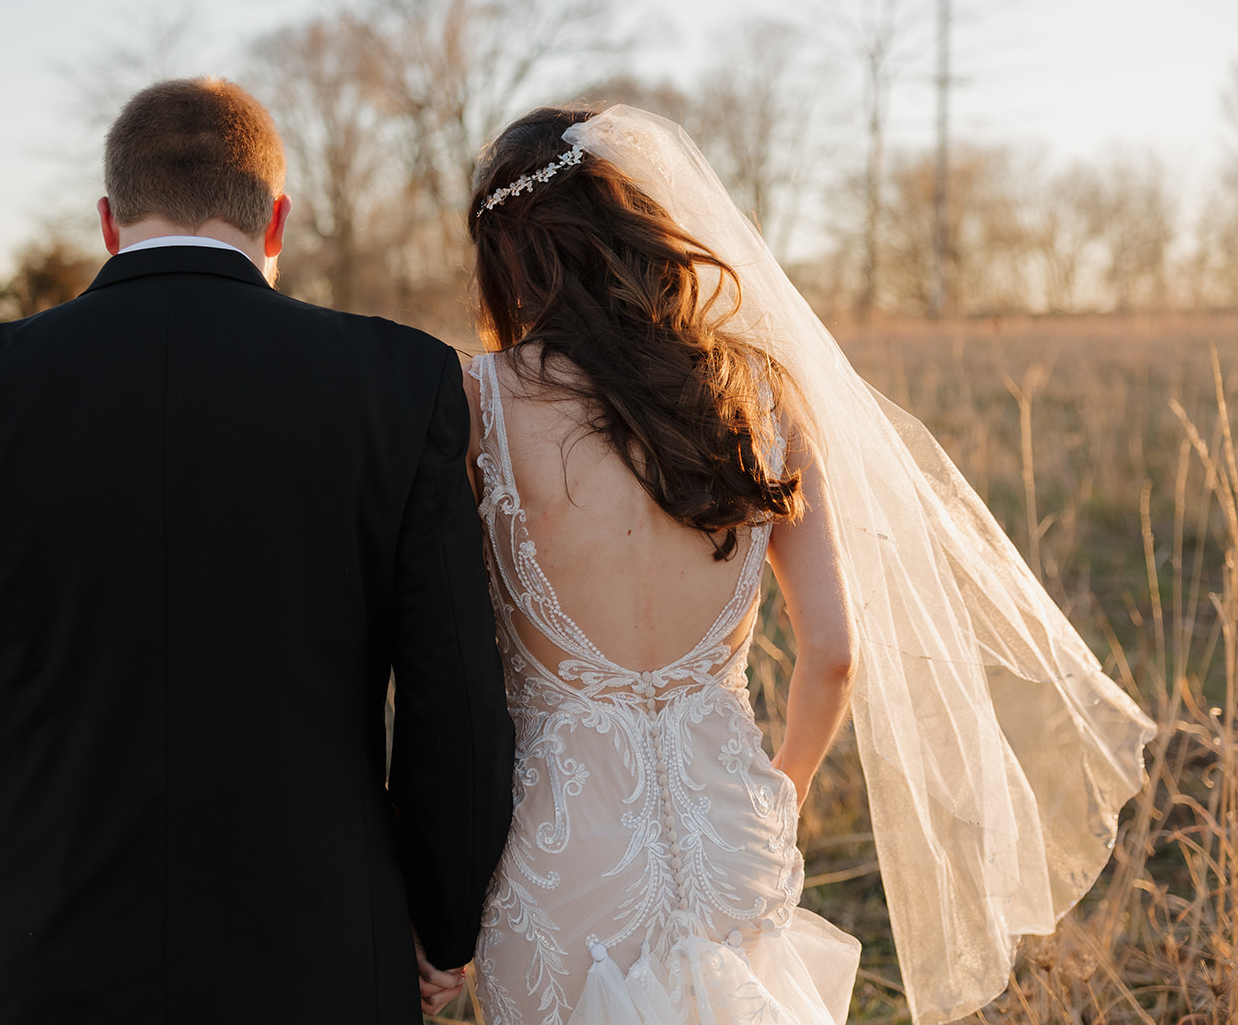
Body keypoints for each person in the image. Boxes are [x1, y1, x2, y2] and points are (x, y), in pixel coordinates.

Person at [453, 105, 1155, 1025]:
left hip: (559, 853)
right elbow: (832, 653)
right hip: (730, 835)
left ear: (508, 250)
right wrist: (780, 786)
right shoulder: (761, 397)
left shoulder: (479, 403)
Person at [0, 76, 516, 1025]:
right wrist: (445, 923)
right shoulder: (399, 383)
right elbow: (457, 695)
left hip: (51, 949)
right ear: (275, 221)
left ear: (110, 222)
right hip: (321, 951)